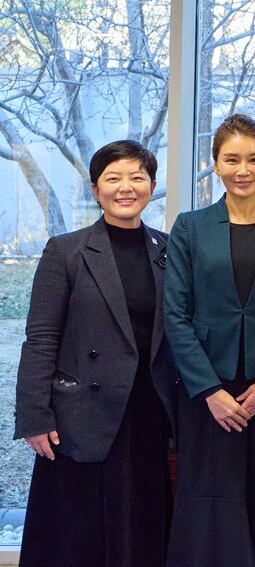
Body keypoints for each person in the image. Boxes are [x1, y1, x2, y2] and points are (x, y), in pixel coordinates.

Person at [14, 139, 178, 566]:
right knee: (78, 532)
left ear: (152, 185)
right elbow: (41, 339)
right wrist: (34, 416)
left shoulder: (169, 251)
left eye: (137, 177)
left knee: (142, 525)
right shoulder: (65, 250)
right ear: (96, 188)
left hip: (149, 410)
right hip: (81, 413)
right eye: (114, 178)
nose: (126, 187)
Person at [163, 113, 255, 567]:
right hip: (207, 391)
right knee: (207, 501)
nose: (243, 169)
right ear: (216, 164)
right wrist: (208, 390)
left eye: (254, 159)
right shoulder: (191, 226)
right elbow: (176, 314)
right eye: (232, 159)